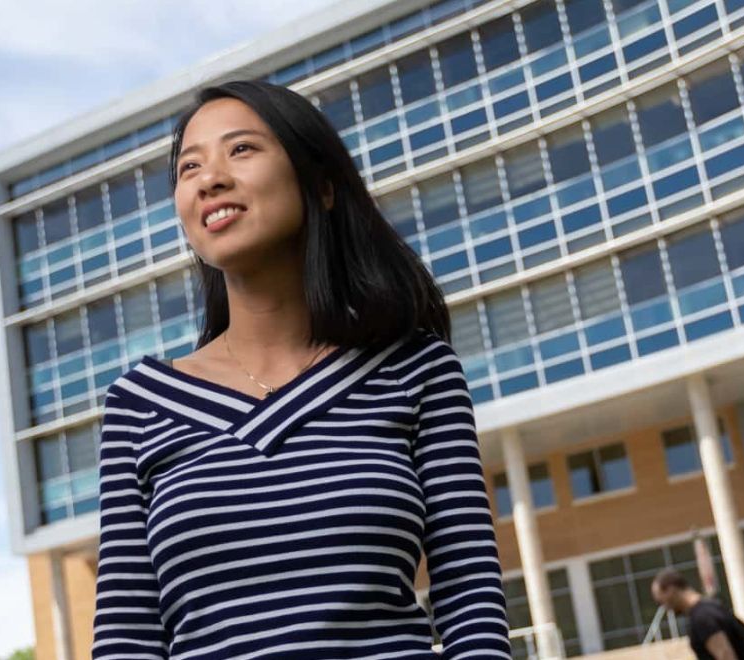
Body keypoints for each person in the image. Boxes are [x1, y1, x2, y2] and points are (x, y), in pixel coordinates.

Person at [90, 79, 514, 659]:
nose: (210, 177)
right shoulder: (138, 404)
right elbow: (126, 637)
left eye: (241, 149)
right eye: (189, 167)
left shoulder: (417, 369)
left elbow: (471, 602)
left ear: (322, 185)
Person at [651, 569, 744, 660]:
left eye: (660, 601)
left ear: (671, 590)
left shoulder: (701, 618)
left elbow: (726, 656)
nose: (664, 606)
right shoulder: (713, 606)